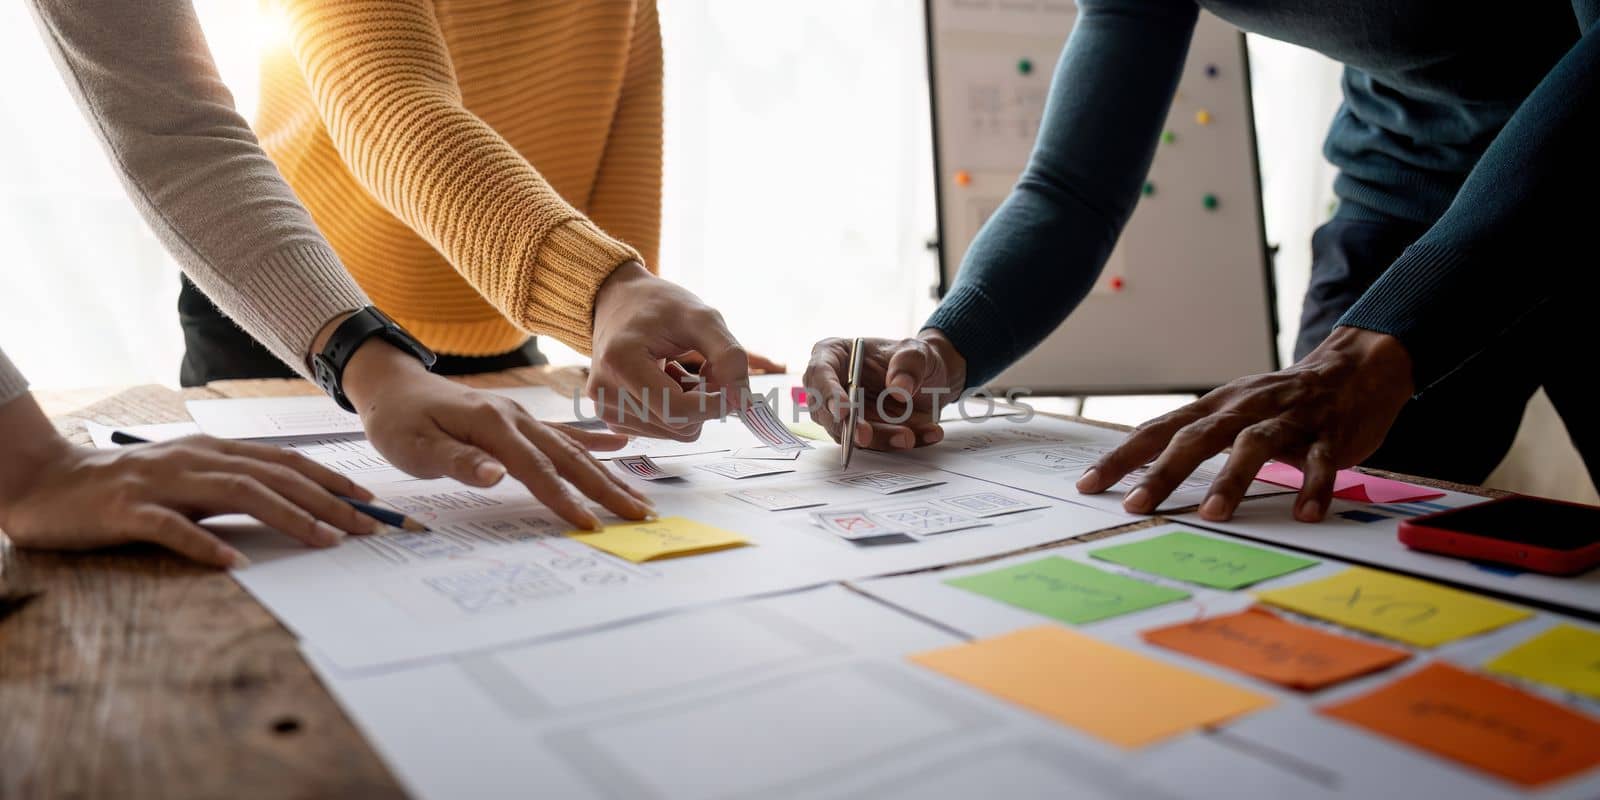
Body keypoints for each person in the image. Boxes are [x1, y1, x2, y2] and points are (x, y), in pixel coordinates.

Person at [808, 0, 1598, 522]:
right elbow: (1072, 188)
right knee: (1323, 527)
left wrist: (1381, 341)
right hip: (1405, 183)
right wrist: (945, 348)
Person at [24, 0, 658, 550]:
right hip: (282, 293)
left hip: (494, 304)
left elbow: (623, 120)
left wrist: (626, 313)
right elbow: (385, 104)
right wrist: (605, 284)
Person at [175, 0, 779, 440]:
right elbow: (390, 113)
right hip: (297, 306)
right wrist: (607, 287)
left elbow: (621, 165)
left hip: (498, 321)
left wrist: (644, 333)